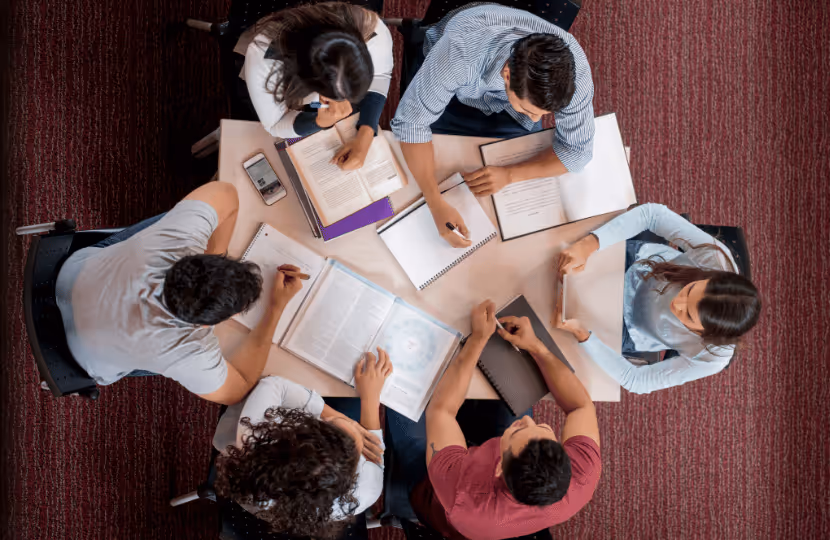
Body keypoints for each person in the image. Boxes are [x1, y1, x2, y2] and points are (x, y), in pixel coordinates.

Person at [55, 182, 304, 405]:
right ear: (207, 322)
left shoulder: (177, 240)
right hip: (80, 357)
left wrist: (214, 258)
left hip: (66, 276)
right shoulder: (187, 349)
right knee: (193, 367)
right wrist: (275, 309)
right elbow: (236, 392)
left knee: (173, 218)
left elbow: (226, 193)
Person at [385, 300, 600, 540]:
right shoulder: (582, 476)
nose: (530, 422)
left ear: (498, 466)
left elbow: (441, 411)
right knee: (513, 375)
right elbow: (580, 407)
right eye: (542, 427)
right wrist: (536, 347)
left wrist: (477, 339)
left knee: (399, 385)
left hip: (436, 488)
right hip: (494, 472)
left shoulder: (461, 495)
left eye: (519, 431)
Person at [390, 4, 595, 248]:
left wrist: (510, 174)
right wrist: (434, 202)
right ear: (507, 74)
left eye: (541, 114)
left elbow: (577, 153)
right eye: (528, 110)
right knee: (420, 177)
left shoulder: (575, 72)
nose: (533, 122)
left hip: (504, 104)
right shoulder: (461, 51)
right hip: (456, 89)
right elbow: (412, 124)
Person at [554, 203, 762, 394]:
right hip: (637, 266)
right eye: (689, 290)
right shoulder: (715, 258)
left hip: (630, 327)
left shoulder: (713, 357)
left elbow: (637, 380)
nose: (676, 302)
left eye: (687, 315)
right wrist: (590, 244)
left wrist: (584, 336)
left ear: (705, 334)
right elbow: (652, 215)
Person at [212, 348, 393, 539]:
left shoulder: (256, 435)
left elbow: (274, 385)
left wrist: (335, 417)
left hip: (247, 439)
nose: (351, 425)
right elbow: (374, 451)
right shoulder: (366, 491)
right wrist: (369, 402)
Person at [242, 1, 394, 170]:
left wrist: (366, 132)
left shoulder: (372, 27)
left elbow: (380, 74)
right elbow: (274, 124)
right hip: (277, 82)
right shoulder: (264, 57)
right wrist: (318, 122)